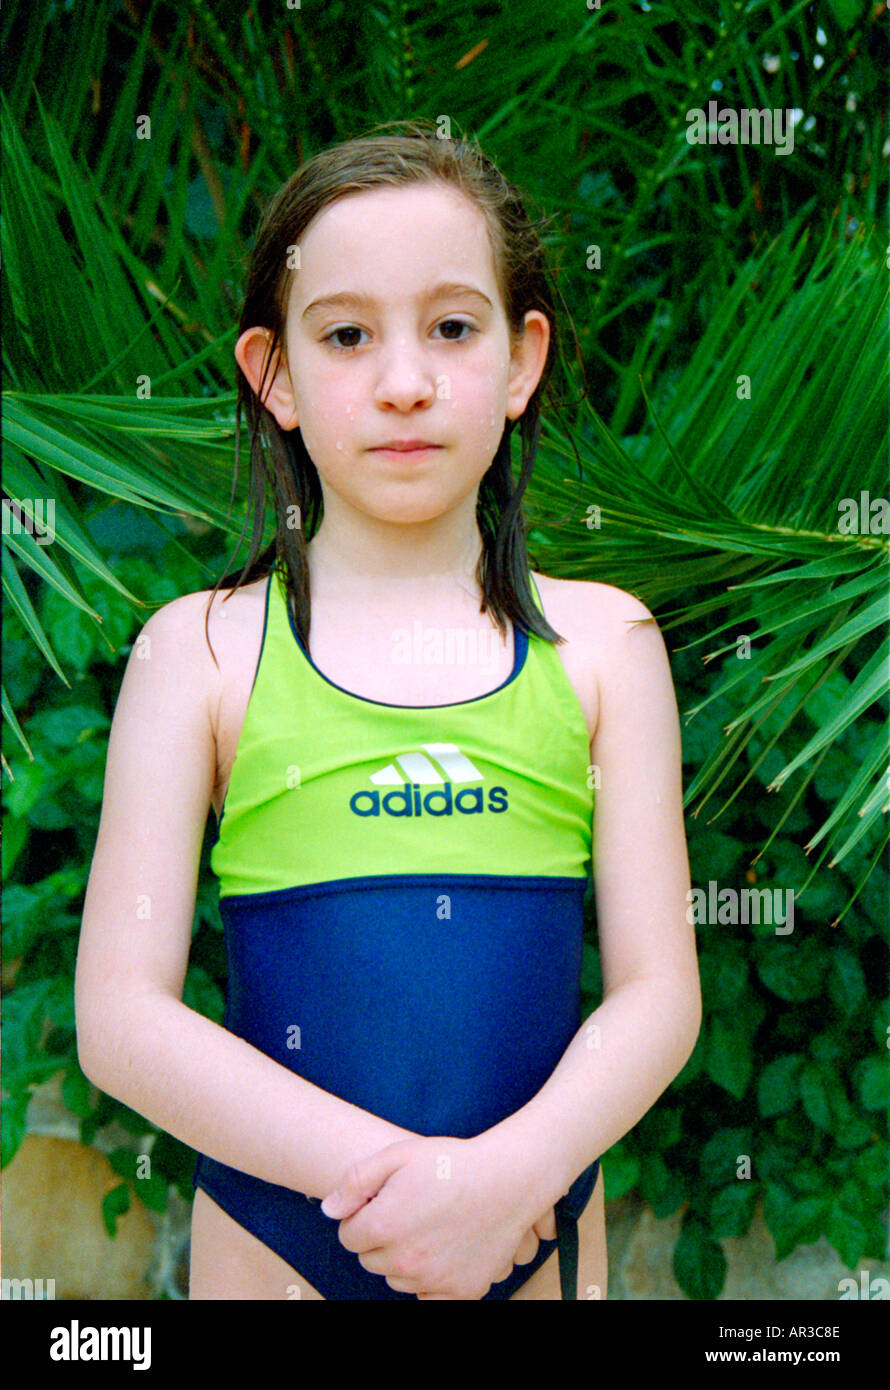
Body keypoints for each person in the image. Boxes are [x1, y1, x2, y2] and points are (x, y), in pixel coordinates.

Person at [75, 119, 701, 1301]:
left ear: (519, 363)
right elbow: (119, 1015)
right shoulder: (199, 651)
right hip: (281, 1237)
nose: (404, 380)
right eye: (347, 334)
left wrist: (512, 1176)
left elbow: (658, 993)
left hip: (537, 1225)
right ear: (274, 376)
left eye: (452, 328)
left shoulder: (601, 648)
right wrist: (412, 1194)